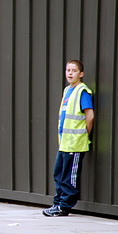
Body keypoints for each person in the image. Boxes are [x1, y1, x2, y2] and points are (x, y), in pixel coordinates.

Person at [43, 60, 94, 217]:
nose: (70, 73)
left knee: (69, 177)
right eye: (68, 70)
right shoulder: (67, 90)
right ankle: (57, 203)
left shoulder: (82, 91)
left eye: (74, 70)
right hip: (65, 143)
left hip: (75, 144)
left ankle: (64, 206)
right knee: (58, 174)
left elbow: (89, 116)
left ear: (81, 74)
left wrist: (85, 133)